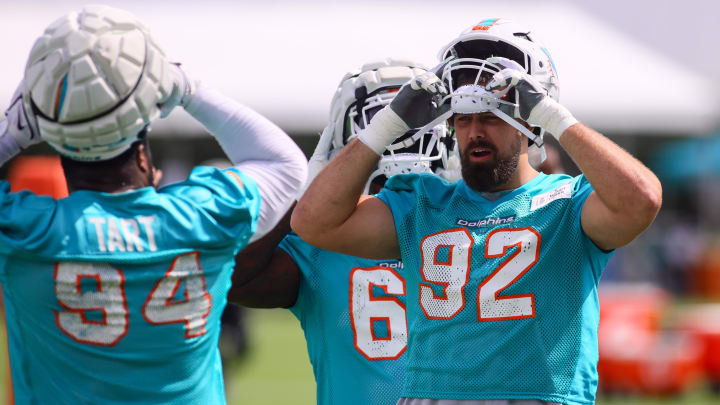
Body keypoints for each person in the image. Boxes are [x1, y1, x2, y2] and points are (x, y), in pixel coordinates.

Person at [292, 18, 662, 405]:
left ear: (527, 122)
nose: (474, 133)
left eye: (490, 117)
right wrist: (388, 124)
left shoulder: (568, 204)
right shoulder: (423, 202)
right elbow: (313, 223)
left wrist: (553, 116)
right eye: (463, 119)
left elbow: (642, 199)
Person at [0, 5, 306, 404]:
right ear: (143, 156)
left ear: (59, 150)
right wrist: (185, 87)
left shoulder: (24, 231)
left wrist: (15, 130)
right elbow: (282, 162)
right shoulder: (201, 217)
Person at [229, 58, 460, 405]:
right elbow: (230, 282)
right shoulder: (478, 225)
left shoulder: (316, 241)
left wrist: (305, 191)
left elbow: (228, 279)